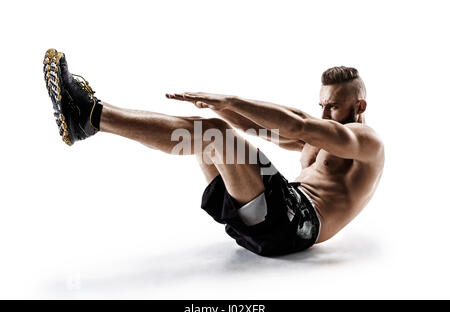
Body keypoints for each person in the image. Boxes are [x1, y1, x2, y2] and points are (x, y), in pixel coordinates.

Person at [43, 48, 384, 257]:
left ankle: (91, 115)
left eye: (334, 107)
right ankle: (89, 119)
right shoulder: (325, 133)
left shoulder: (366, 142)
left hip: (297, 227)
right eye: (322, 105)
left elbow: (300, 125)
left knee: (215, 136)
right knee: (207, 132)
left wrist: (231, 101)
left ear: (360, 105)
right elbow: (263, 130)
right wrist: (220, 108)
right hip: (269, 220)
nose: (325, 114)